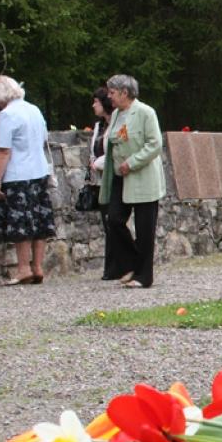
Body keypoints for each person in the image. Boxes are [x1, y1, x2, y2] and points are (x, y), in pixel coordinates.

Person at [98, 74, 166, 288]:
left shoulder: (145, 112)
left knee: (145, 228)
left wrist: (133, 162)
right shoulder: (117, 113)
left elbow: (155, 144)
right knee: (114, 219)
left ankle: (144, 275)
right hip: (121, 177)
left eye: (112, 93)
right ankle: (132, 263)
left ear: (124, 93)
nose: (109, 97)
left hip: (143, 177)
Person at [0, 75, 55, 285]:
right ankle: (38, 266)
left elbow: (4, 150)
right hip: (39, 170)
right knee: (39, 218)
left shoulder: (7, 115)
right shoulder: (34, 109)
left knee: (21, 221)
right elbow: (44, 137)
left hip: (18, 173)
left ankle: (24, 267)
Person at [89, 87, 117, 279]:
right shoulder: (99, 127)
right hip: (100, 181)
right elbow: (94, 150)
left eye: (96, 102)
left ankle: (120, 264)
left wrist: (99, 163)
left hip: (115, 177)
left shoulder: (117, 123)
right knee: (107, 222)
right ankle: (111, 267)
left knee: (115, 221)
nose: (93, 105)